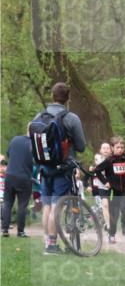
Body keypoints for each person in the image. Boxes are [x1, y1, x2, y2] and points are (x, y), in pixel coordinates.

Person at [33, 82, 87, 254]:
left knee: (47, 206)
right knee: (57, 206)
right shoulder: (71, 118)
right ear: (68, 98)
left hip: (44, 169)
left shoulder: (38, 117)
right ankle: (52, 245)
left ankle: (48, 242)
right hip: (62, 169)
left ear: (52, 96)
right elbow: (81, 146)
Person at [97, 136, 125, 244]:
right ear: (112, 148)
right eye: (117, 147)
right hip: (113, 191)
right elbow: (97, 170)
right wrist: (105, 181)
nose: (120, 149)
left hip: (124, 190)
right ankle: (112, 235)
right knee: (114, 214)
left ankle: (124, 221)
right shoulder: (109, 160)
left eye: (122, 147)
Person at [2, 132, 36, 237]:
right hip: (24, 178)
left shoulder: (15, 139)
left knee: (7, 203)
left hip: (10, 175)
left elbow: (8, 154)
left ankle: (5, 229)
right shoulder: (34, 145)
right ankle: (20, 231)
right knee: (22, 205)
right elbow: (36, 161)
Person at [91, 142, 112, 223]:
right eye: (104, 148)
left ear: (111, 150)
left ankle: (110, 223)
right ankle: (108, 225)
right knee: (105, 205)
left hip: (112, 186)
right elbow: (96, 165)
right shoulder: (98, 158)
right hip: (102, 186)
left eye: (107, 148)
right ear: (100, 150)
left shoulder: (114, 159)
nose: (106, 150)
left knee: (112, 206)